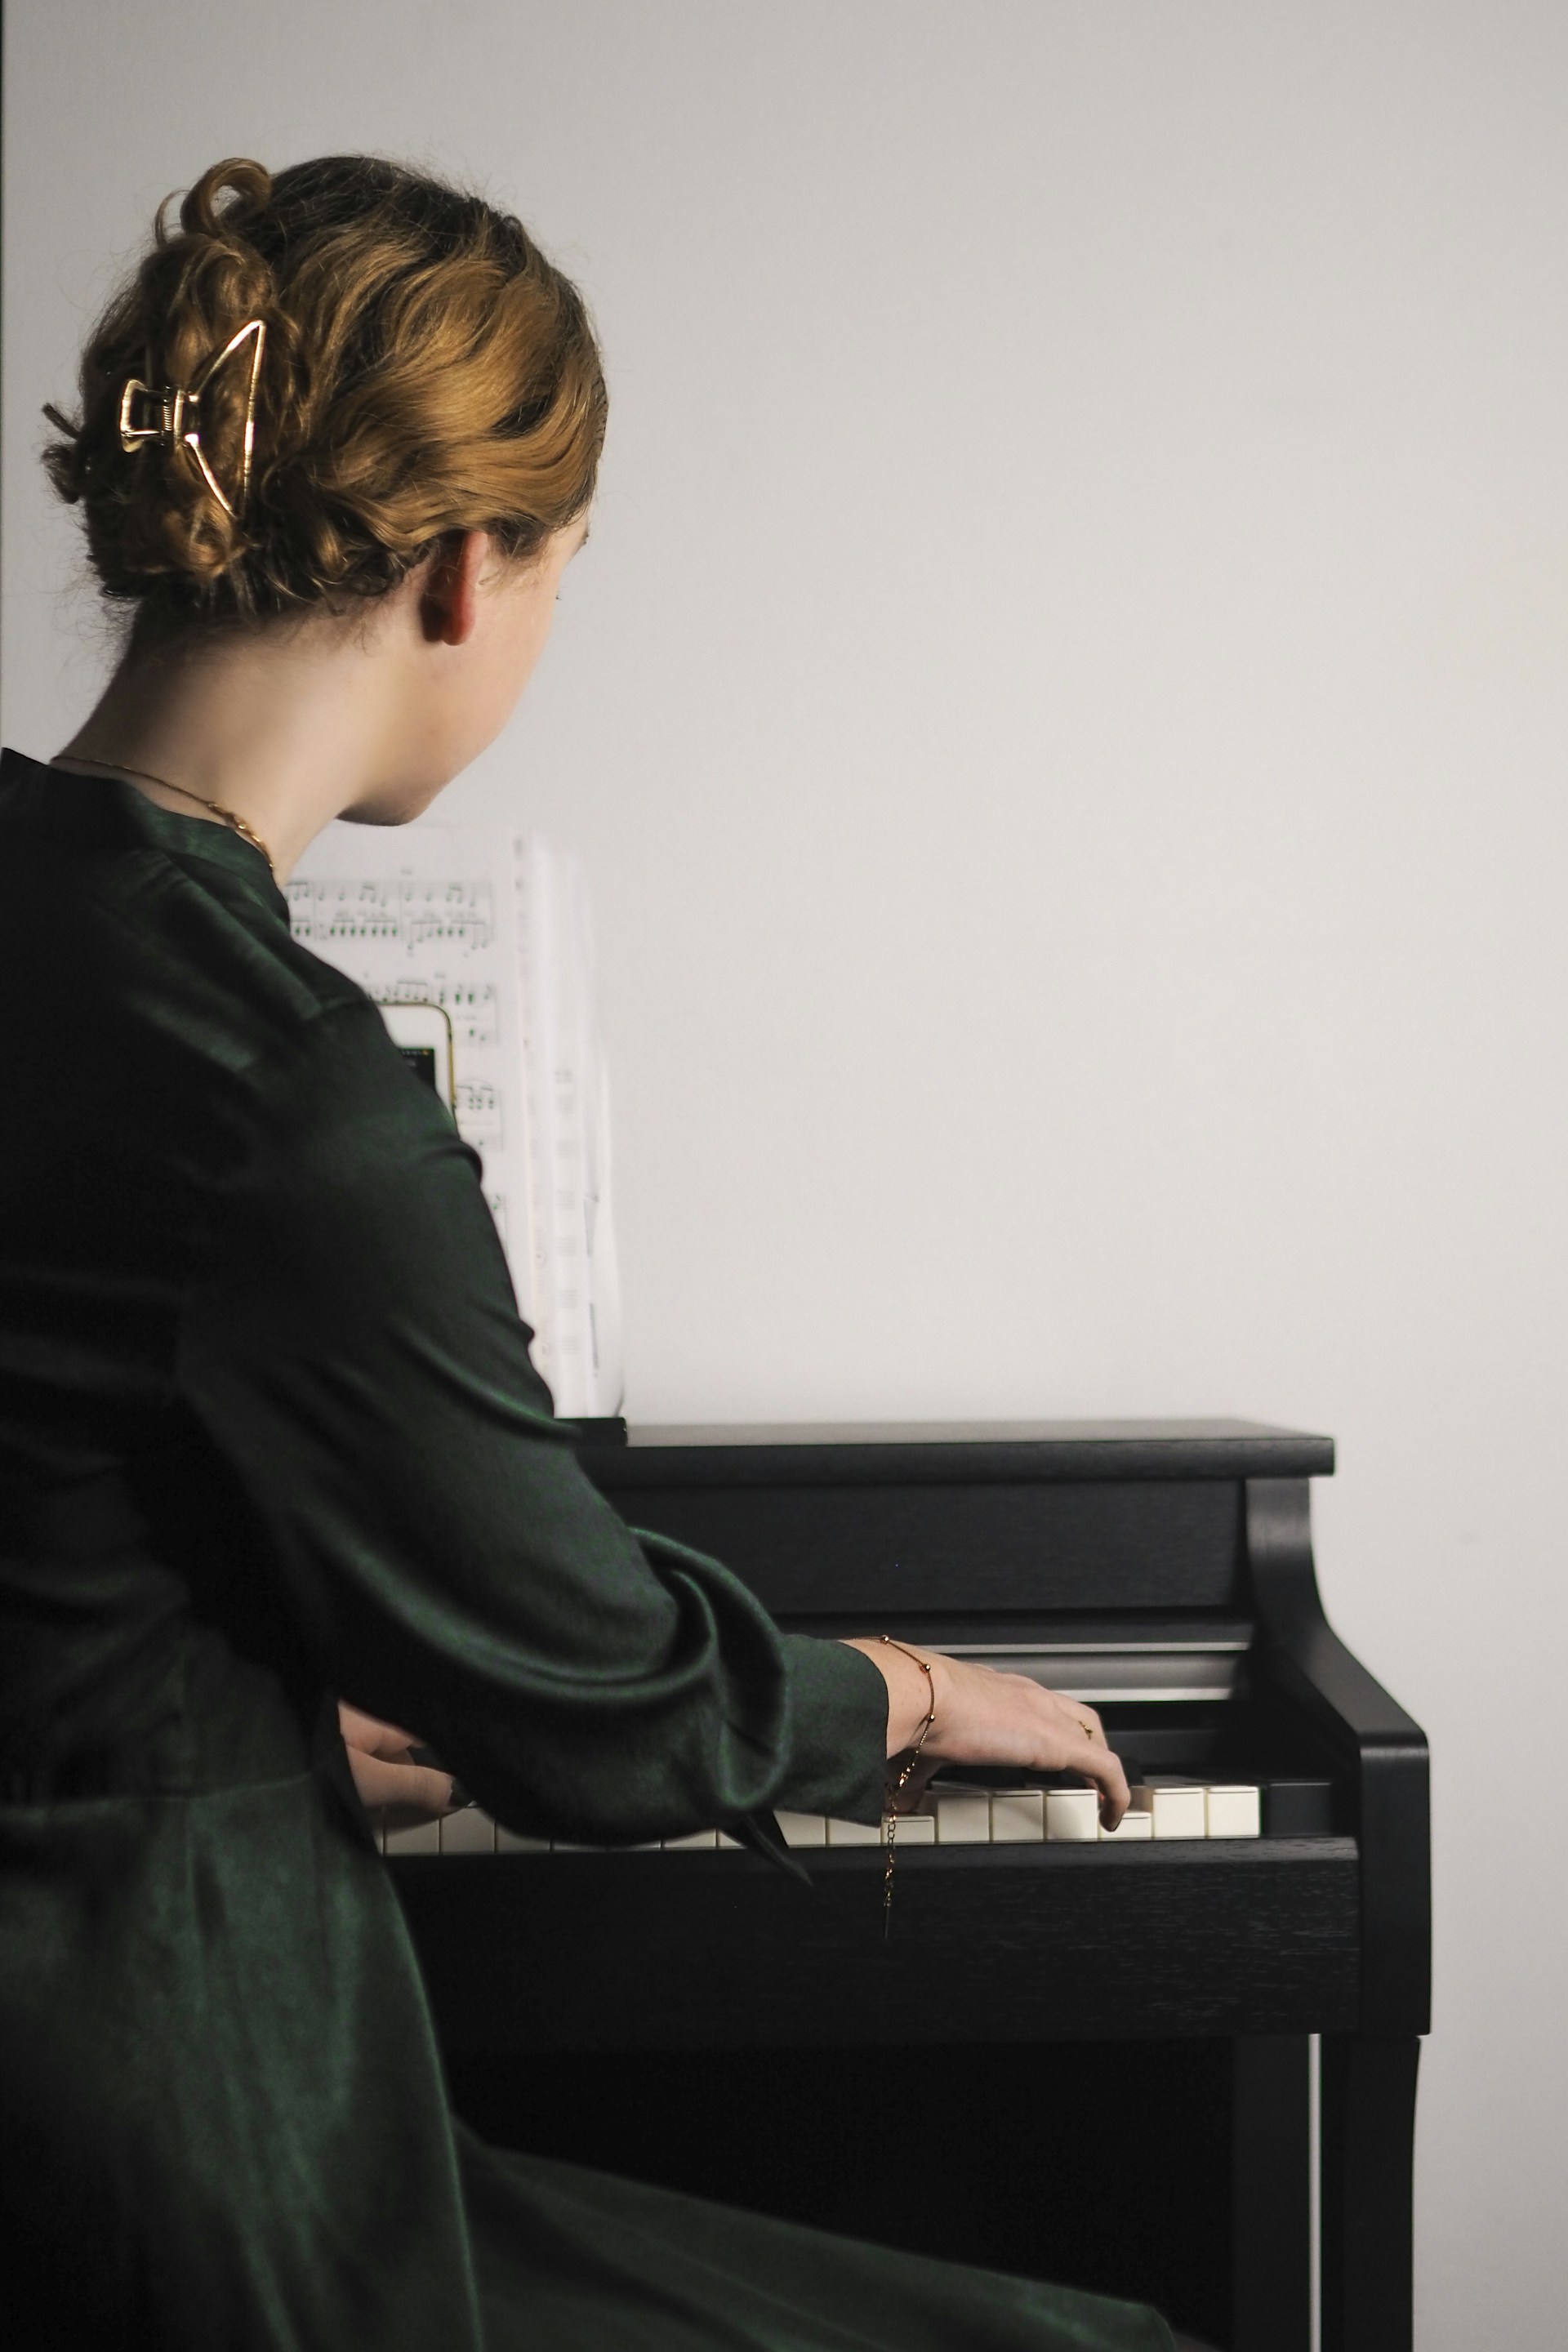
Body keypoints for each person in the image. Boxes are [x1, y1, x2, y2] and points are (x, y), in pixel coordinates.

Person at [0, 155, 1188, 2351]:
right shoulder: (277, 1089)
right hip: (182, 2153)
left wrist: (214, 1716)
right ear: (468, 574)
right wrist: (910, 1699)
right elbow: (597, 1708)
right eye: (565, 570)